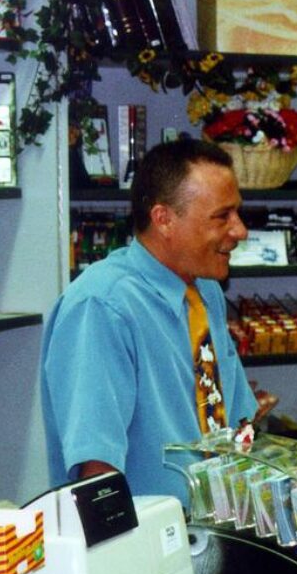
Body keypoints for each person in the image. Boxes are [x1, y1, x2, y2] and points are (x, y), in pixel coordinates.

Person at [41, 139, 258, 502]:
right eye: (222, 216)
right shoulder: (103, 306)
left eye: (237, 213)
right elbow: (96, 469)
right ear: (164, 220)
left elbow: (237, 422)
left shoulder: (206, 292)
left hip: (215, 535)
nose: (240, 230)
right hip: (147, 543)